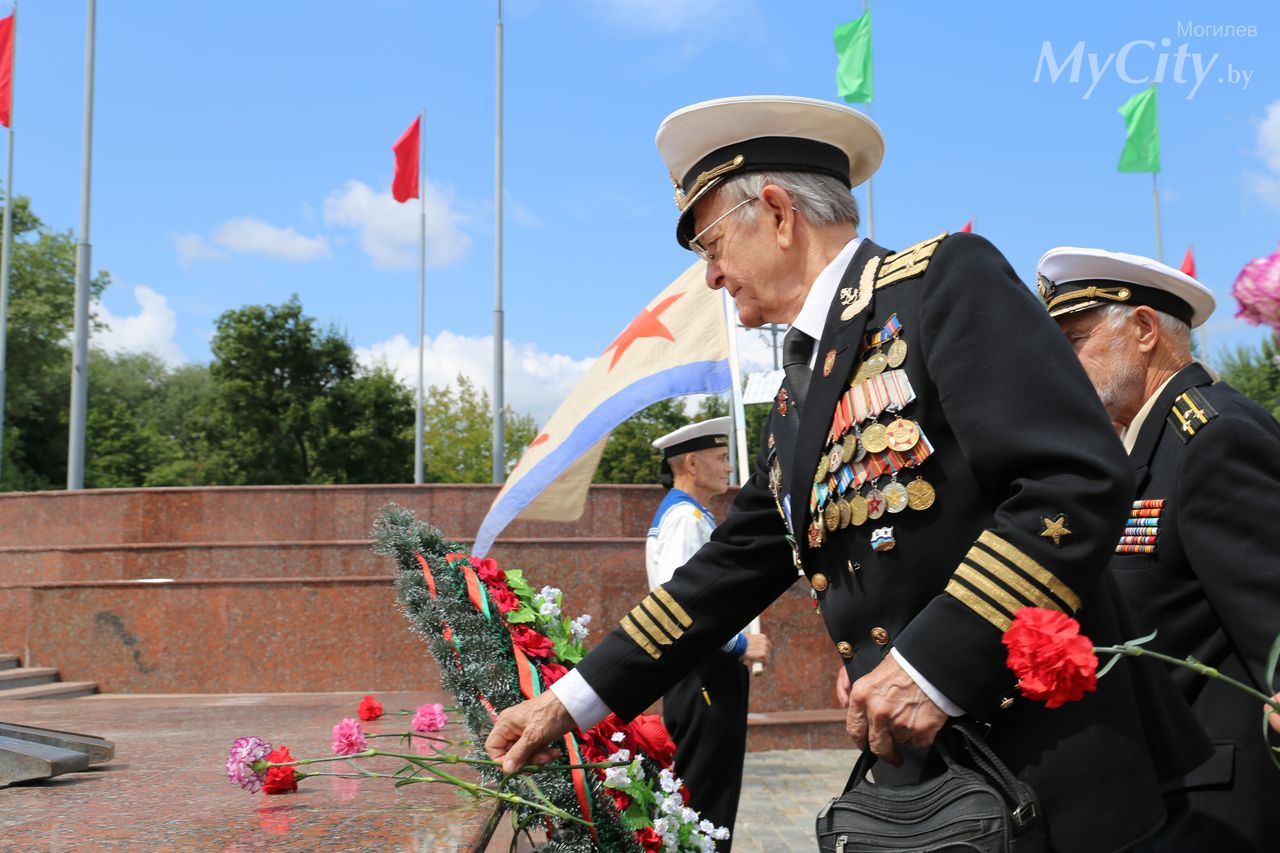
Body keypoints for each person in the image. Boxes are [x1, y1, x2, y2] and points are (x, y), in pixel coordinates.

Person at [486, 95, 1209, 853]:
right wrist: (568, 702)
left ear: (775, 212)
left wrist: (927, 663)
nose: (710, 276)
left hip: (1054, 770)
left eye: (710, 243)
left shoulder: (940, 287)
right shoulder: (802, 385)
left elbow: (1074, 481)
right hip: (931, 776)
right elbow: (730, 565)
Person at [1038, 247, 1280, 851]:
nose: (1059, 367)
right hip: (1163, 785)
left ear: (1144, 330)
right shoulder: (1138, 448)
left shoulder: (1212, 437)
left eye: (1074, 341)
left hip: (1221, 802)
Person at [647, 416, 770, 849]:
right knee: (704, 801)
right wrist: (741, 644)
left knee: (705, 795)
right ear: (692, 465)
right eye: (721, 458)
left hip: (703, 672)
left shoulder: (690, 514)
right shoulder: (685, 519)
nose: (729, 467)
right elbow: (683, 606)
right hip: (704, 672)